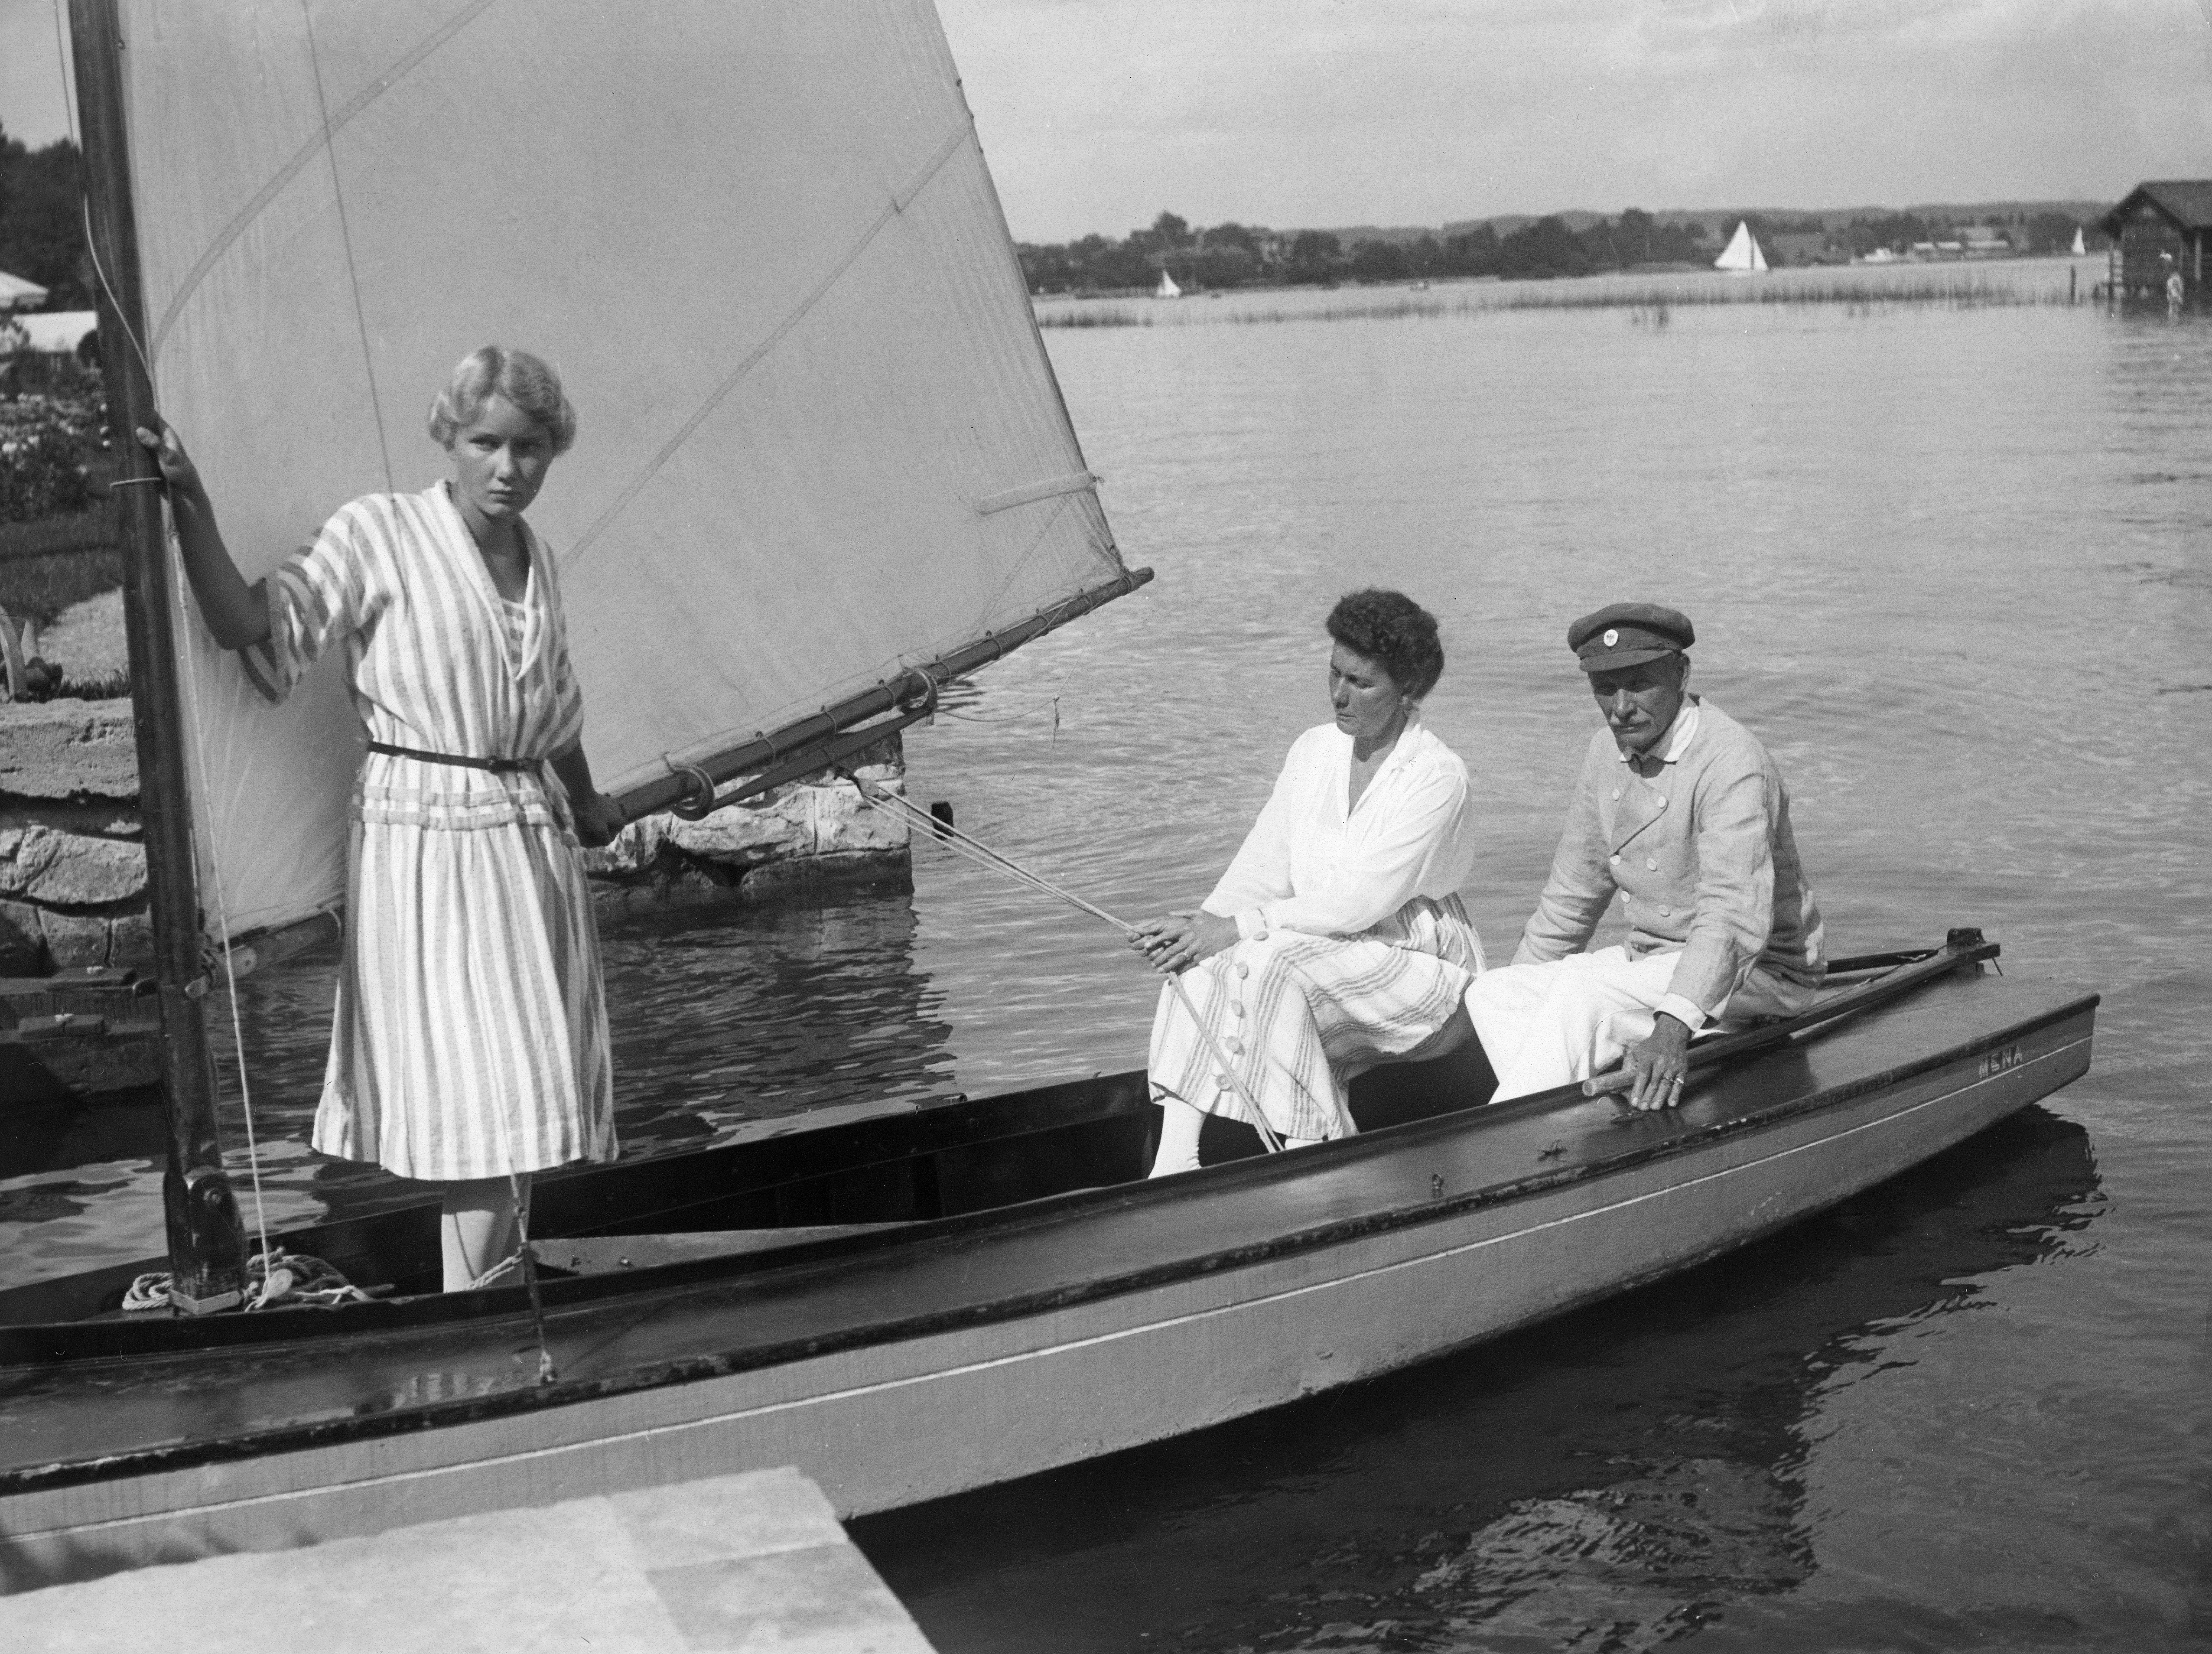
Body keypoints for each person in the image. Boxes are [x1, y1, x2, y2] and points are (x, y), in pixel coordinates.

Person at [136, 345, 626, 1291]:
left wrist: (590, 798)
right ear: (448, 436)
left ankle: (479, 1302)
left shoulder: (539, 558)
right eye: (486, 441)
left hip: (527, 839)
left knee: (522, 1105)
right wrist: (188, 500)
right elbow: (248, 623)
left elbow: (553, 708)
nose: (507, 468)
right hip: (425, 840)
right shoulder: (380, 532)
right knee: (478, 1103)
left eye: (530, 449)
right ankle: (477, 1319)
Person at [1130, 589, 1483, 1175]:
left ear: (1408, 690)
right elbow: (1262, 868)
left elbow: (1359, 901)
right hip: (1311, 942)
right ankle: (1175, 1163)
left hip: (1420, 965)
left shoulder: (1437, 776)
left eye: (1362, 683)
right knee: (1203, 967)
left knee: (1273, 961)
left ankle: (1314, 1154)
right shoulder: (1313, 750)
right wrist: (1197, 931)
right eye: (1334, 673)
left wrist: (1244, 929)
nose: (1339, 694)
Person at [1466, 602, 1824, 1110]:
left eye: (1639, 683)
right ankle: (1559, 1122)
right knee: (1493, 994)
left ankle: (1516, 1144)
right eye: (1605, 688)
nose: (1621, 707)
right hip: (1655, 959)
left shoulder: (1731, 761)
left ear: (1681, 674)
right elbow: (1572, 896)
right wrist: (1526, 984)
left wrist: (1673, 1027)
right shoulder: (1603, 753)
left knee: (1583, 1000)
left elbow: (1732, 917)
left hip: (1760, 972)